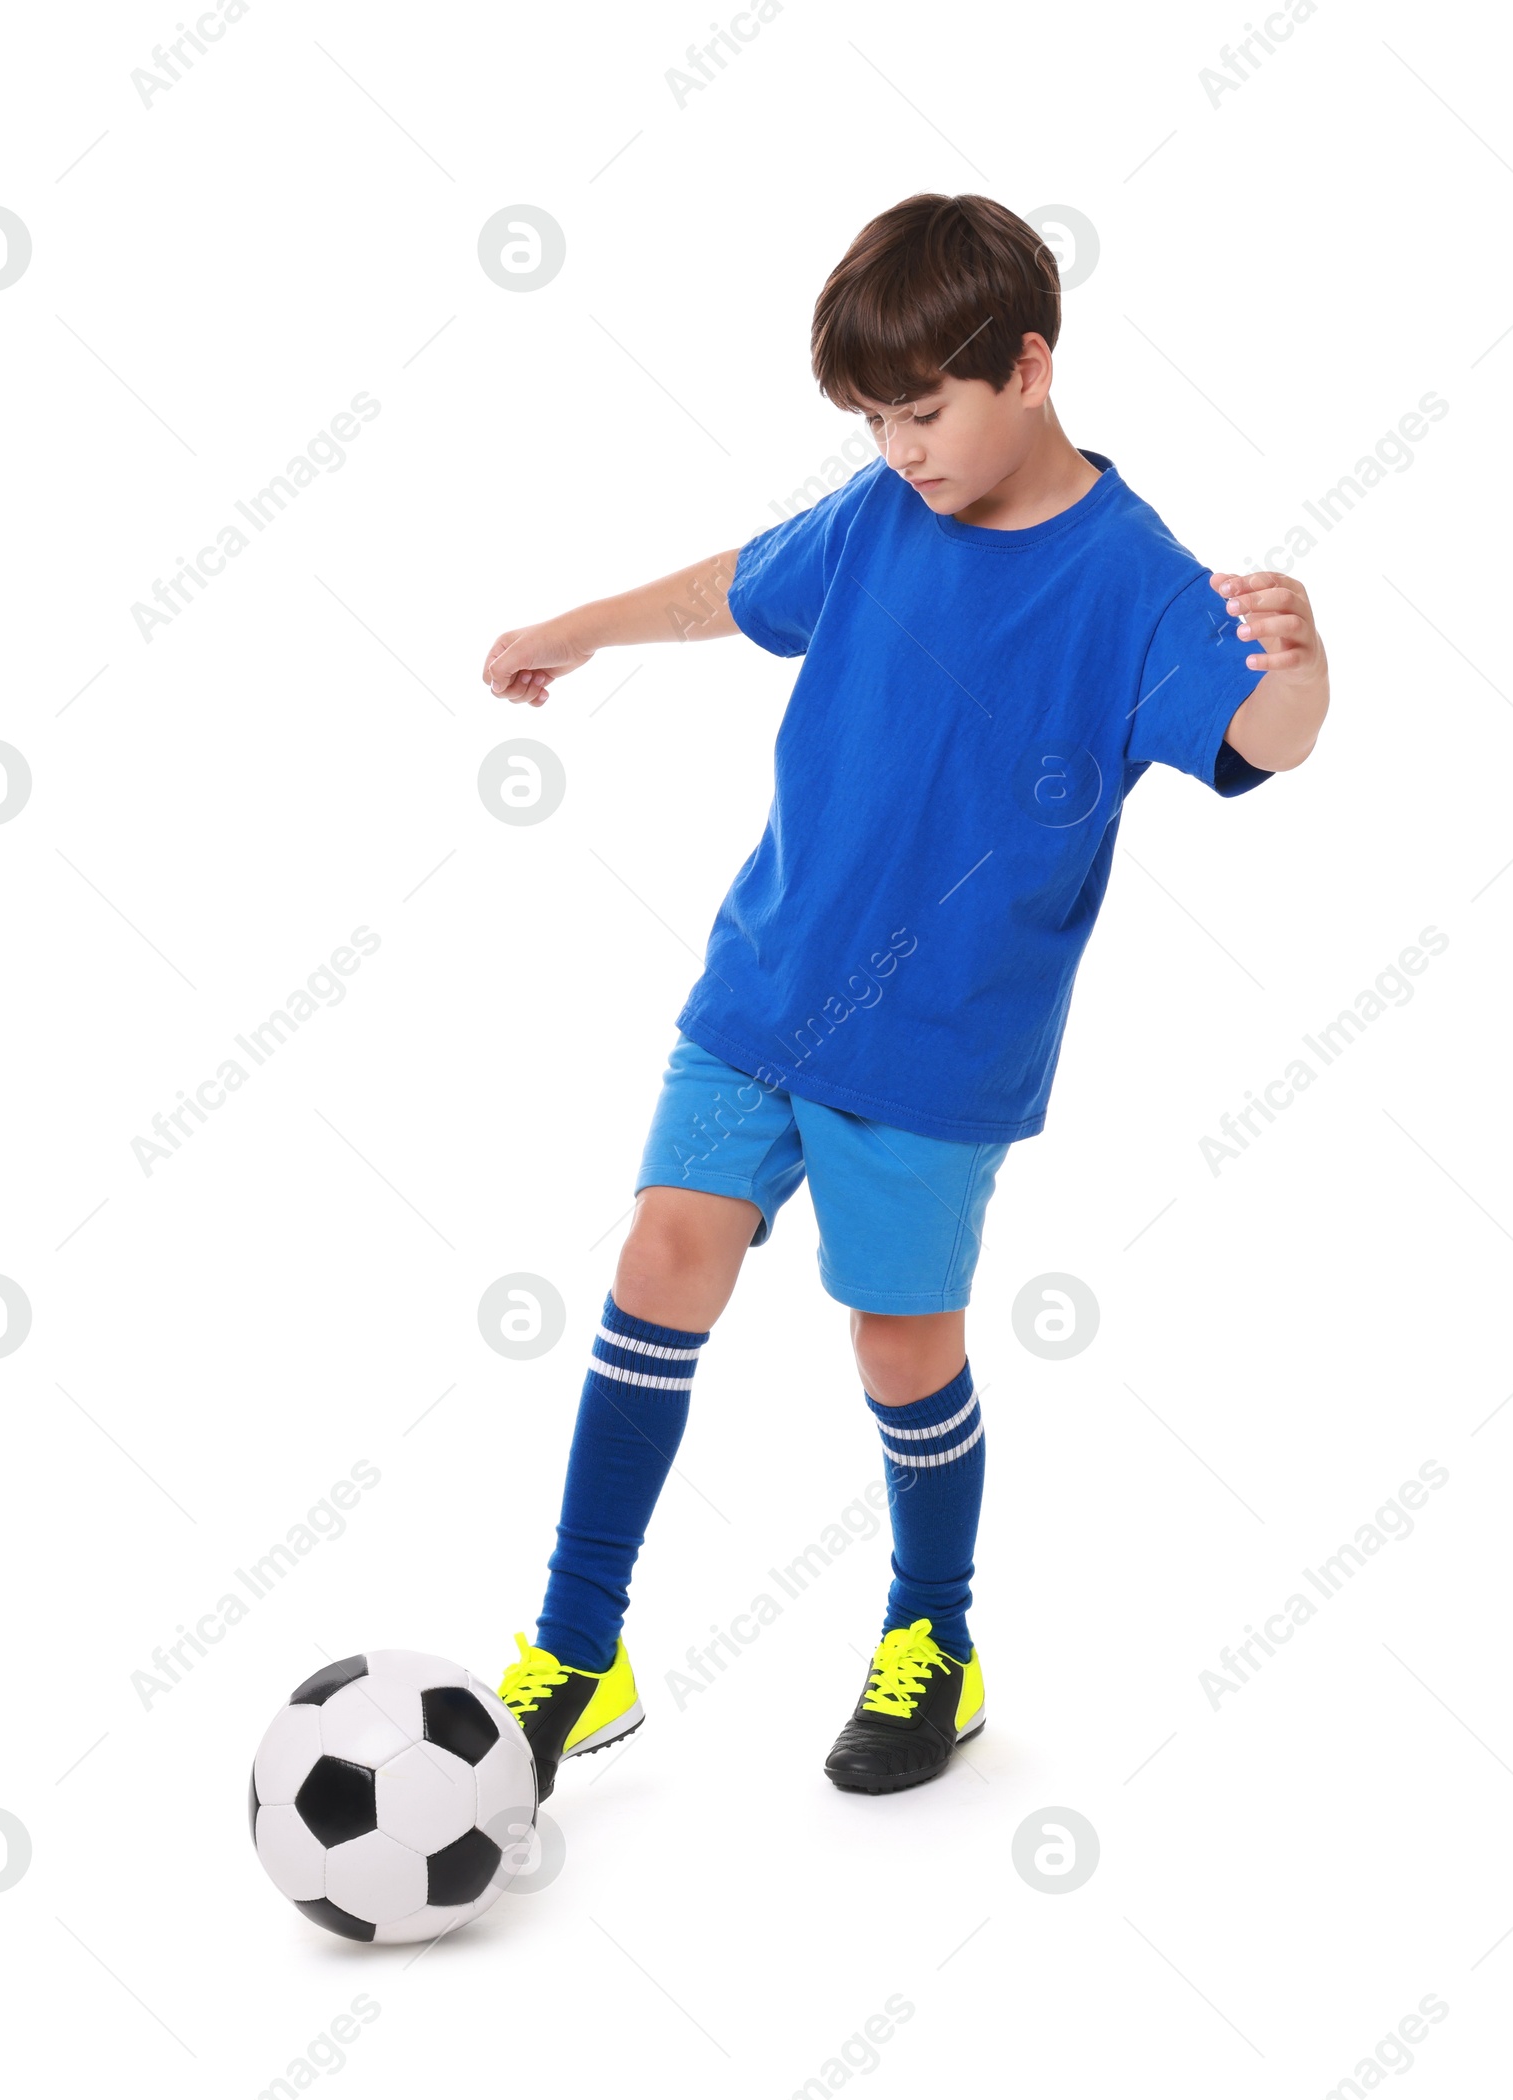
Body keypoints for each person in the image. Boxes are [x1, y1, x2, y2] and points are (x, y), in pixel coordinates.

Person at [478, 191, 1329, 1798]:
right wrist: (579, 630)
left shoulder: (1133, 581)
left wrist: (1308, 674)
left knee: (899, 1343)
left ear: (1031, 362)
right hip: (766, 984)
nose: (902, 451)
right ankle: (577, 1648)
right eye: (874, 422)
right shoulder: (878, 517)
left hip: (936, 1052)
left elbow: (1258, 742)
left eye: (925, 412)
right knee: (664, 1256)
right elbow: (739, 586)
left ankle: (931, 1635)